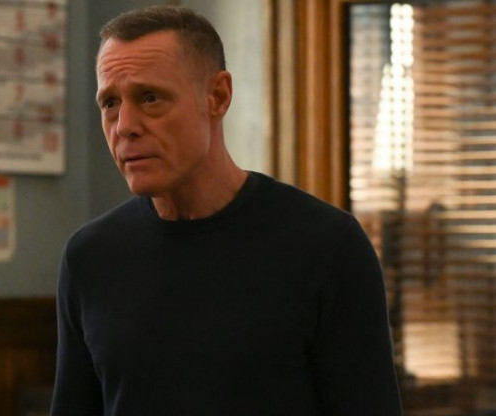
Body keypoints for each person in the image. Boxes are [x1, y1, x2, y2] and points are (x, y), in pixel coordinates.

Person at [50, 5, 402, 416]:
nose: (125, 125)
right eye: (110, 103)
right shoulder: (90, 257)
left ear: (217, 97)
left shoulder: (327, 246)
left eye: (150, 98)